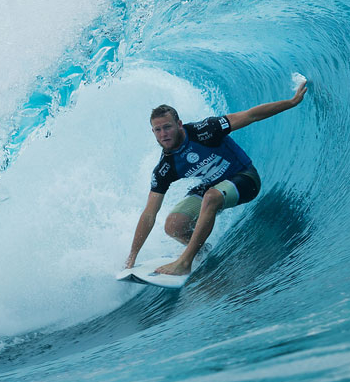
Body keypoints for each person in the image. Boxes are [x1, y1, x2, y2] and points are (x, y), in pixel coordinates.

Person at [125, 80, 309, 277]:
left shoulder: (205, 130)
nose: (163, 134)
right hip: (213, 186)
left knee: (211, 197)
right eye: (158, 130)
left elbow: (251, 115)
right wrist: (132, 256)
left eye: (167, 127)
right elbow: (149, 214)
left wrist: (291, 102)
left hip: (245, 178)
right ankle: (202, 252)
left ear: (179, 124)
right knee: (173, 225)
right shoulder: (165, 167)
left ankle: (185, 262)